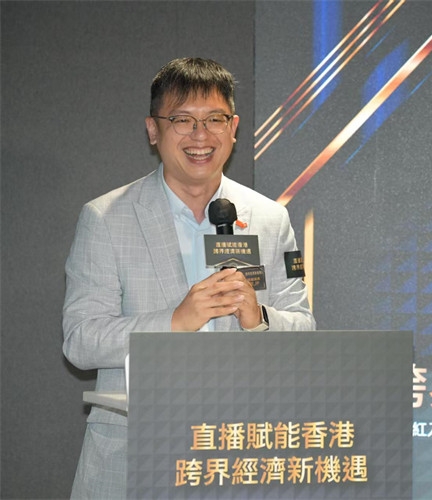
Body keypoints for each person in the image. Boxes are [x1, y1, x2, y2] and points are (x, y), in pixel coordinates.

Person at [62, 57, 315, 498]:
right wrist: (176, 321)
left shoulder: (271, 219)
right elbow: (81, 341)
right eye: (182, 120)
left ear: (234, 128)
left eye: (215, 119)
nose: (201, 136)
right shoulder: (106, 218)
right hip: (135, 459)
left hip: (241, 458)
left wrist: (259, 319)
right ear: (153, 130)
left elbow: (304, 327)